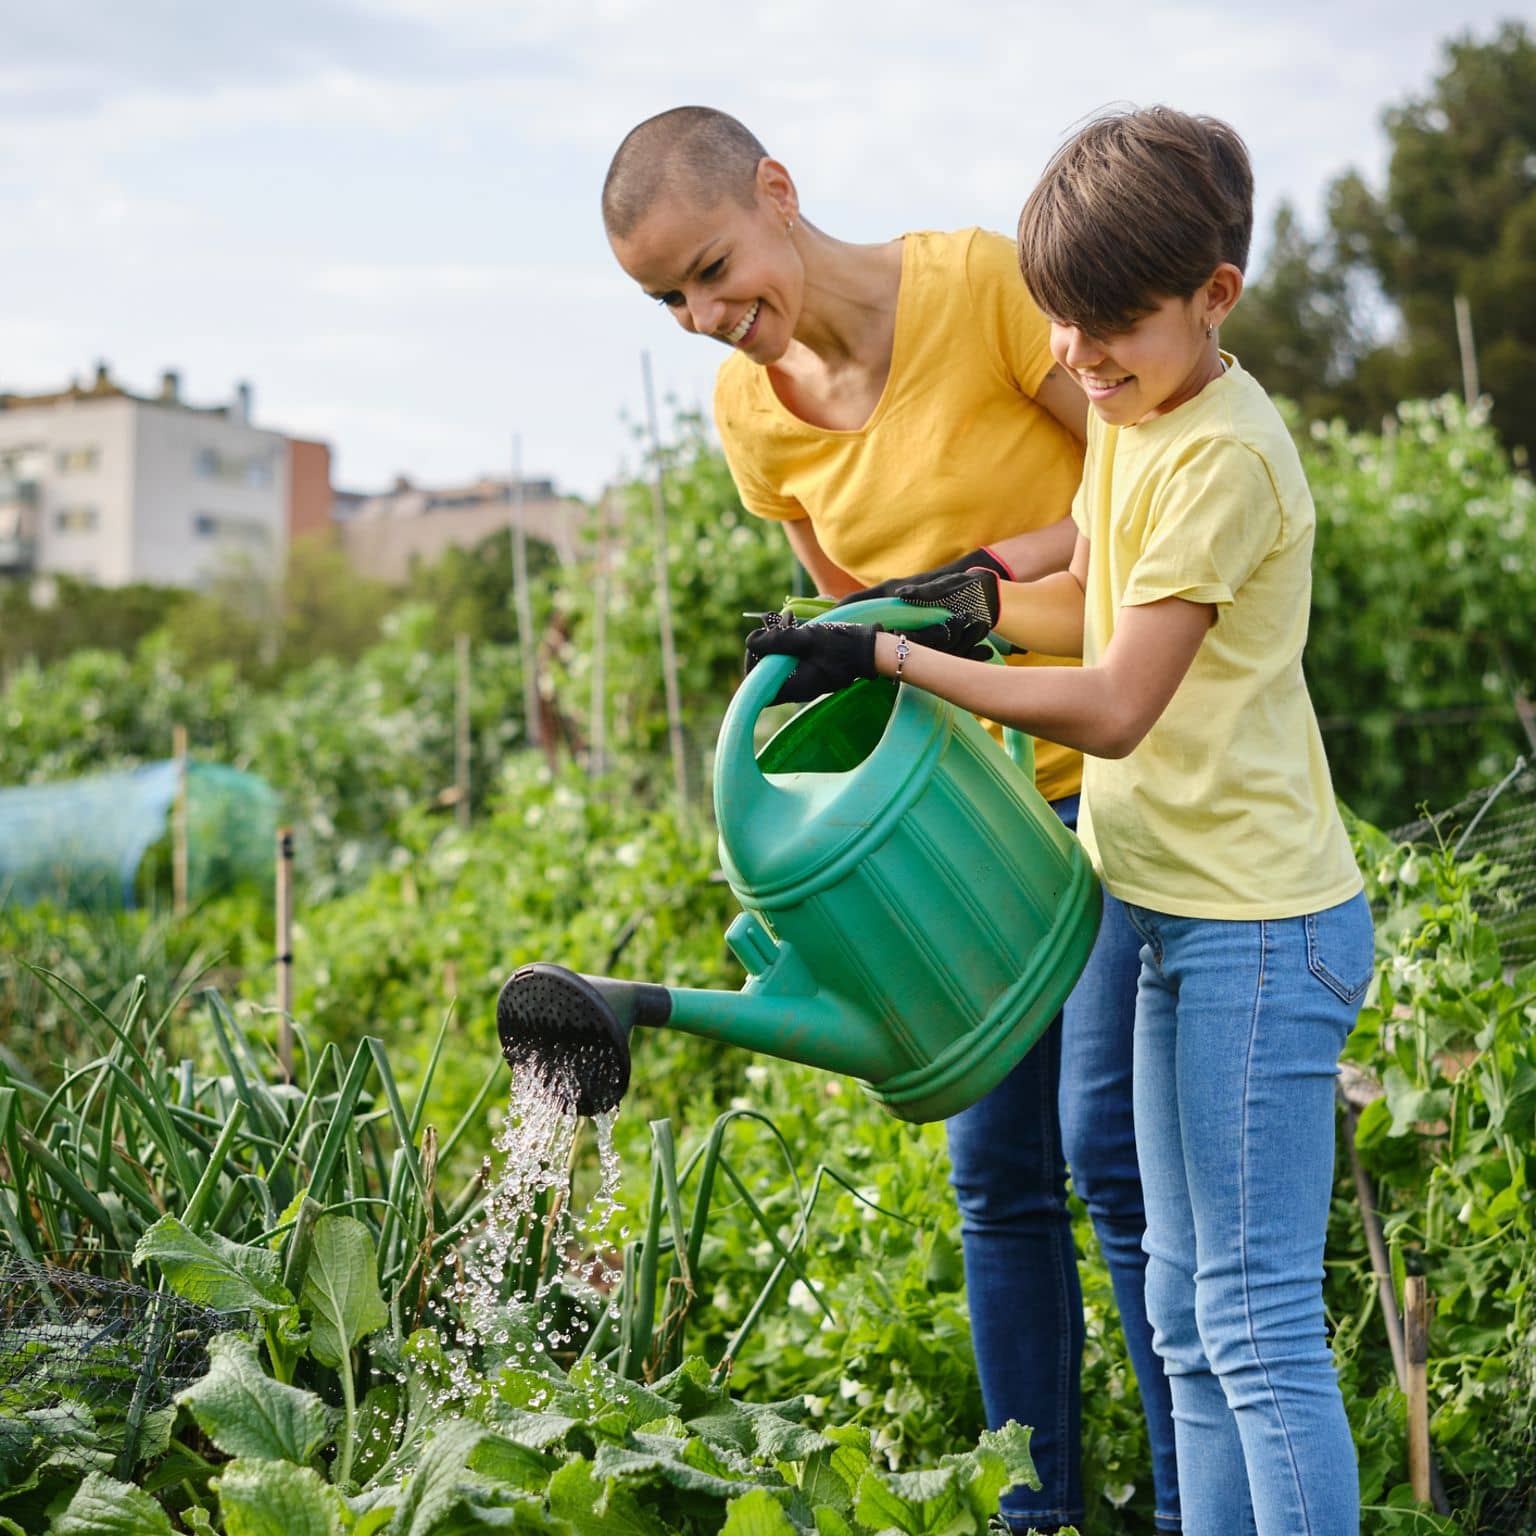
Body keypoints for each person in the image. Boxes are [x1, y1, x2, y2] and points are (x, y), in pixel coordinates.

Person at [747, 105, 1371, 1536]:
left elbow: (1113, 703)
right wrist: (934, 591)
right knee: (1180, 1302)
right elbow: (1086, 548)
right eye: (1066, 330)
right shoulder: (1134, 407)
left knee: (1256, 1320)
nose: (1080, 364)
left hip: (1260, 932)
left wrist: (898, 658)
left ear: (1214, 298)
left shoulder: (1222, 453)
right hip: (1162, 903)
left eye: (1113, 334)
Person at [604, 107, 1180, 1536]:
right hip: (959, 829)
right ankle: (1032, 1516)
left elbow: (1138, 483)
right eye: (670, 298)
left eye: (715, 268)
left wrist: (984, 575)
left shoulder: (982, 286)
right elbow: (847, 610)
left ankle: (1191, 1508)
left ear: (779, 192)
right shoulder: (753, 417)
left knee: (1110, 1161)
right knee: (997, 1181)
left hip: (1101, 773)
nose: (705, 316)